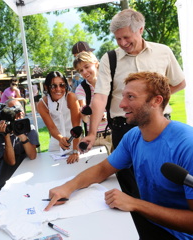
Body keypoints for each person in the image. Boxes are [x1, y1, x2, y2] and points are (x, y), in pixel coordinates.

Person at [45, 72, 193, 240]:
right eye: (123, 97)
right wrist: (68, 187)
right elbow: (103, 169)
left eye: (130, 97)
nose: (121, 104)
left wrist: (136, 204)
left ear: (156, 101)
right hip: (149, 221)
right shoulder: (134, 136)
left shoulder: (187, 145)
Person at [81, 8, 186, 201]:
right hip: (124, 129)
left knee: (165, 183)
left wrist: (152, 102)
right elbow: (100, 97)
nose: (122, 43)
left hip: (159, 128)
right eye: (118, 39)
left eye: (126, 37)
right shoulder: (109, 58)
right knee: (128, 186)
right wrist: (92, 133)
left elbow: (180, 82)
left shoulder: (163, 52)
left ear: (141, 30)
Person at [0, 99, 39, 194]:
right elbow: (11, 161)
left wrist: (22, 135)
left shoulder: (29, 128)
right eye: (14, 111)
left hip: (24, 177)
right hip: (5, 181)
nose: (19, 113)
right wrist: (6, 135)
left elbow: (32, 156)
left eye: (20, 109)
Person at [37, 71, 81, 164]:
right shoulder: (42, 104)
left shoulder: (71, 97)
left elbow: (76, 126)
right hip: (56, 143)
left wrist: (75, 151)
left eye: (62, 85)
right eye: (53, 86)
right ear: (46, 87)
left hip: (76, 142)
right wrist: (60, 138)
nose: (58, 89)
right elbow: (51, 128)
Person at [73, 52, 112, 154]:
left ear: (95, 63)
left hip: (114, 133)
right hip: (96, 138)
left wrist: (107, 115)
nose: (85, 72)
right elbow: (85, 117)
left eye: (87, 67)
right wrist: (90, 115)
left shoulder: (109, 82)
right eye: (81, 70)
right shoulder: (81, 89)